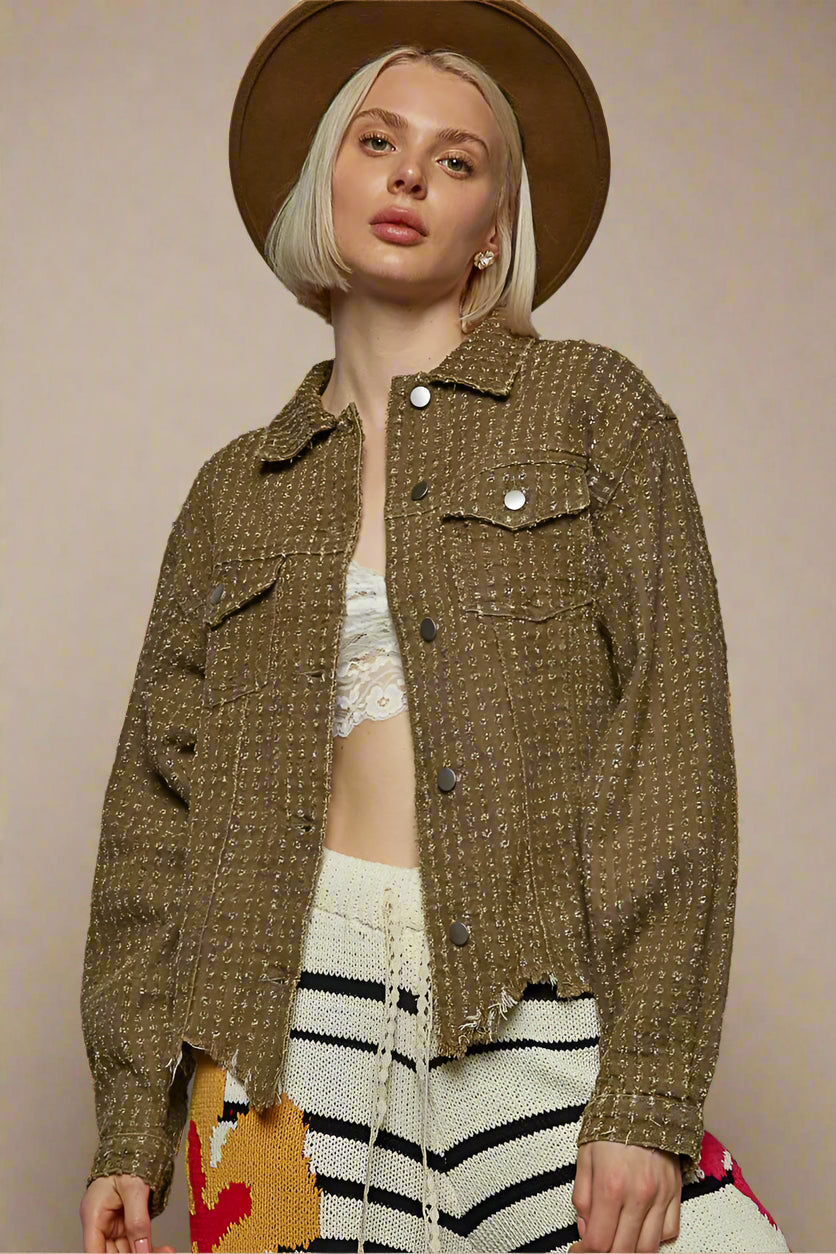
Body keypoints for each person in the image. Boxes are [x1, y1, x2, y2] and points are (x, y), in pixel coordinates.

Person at [79, 4, 793, 1253]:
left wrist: (643, 1091)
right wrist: (131, 1125)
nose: (410, 174)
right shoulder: (236, 491)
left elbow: (670, 753)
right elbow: (153, 819)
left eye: (456, 160)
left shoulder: (591, 413)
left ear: (491, 229)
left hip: (519, 994)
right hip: (269, 1042)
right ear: (325, 186)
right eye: (375, 142)